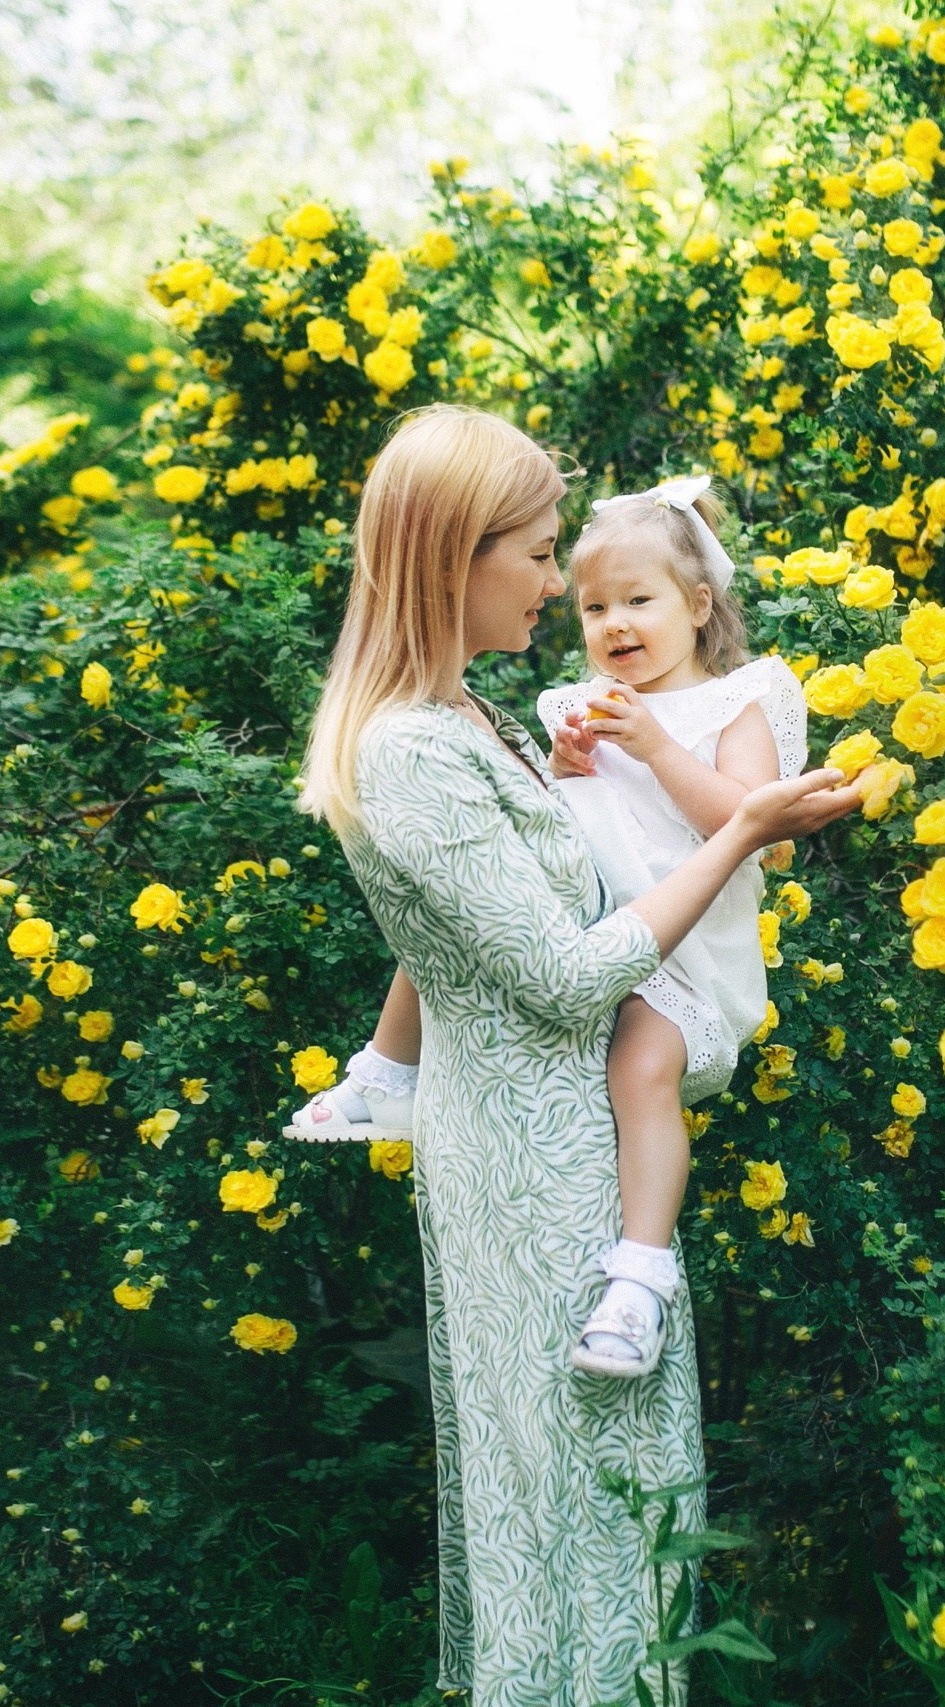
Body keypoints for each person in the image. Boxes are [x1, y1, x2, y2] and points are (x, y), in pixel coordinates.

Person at [294, 404, 860, 1700]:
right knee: (589, 1497)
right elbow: (561, 972)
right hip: (540, 1163)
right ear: (457, 558)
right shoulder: (415, 748)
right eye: (542, 554)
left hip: (565, 1141)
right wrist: (746, 832)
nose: (560, 587)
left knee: (610, 1496)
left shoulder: (464, 718)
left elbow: (500, 912)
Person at [290, 472, 805, 1380]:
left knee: (641, 1064)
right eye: (595, 606)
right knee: (472, 898)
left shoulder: (738, 700)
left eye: (637, 600)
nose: (610, 624)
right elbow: (565, 844)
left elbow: (749, 820)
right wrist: (572, 770)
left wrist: (652, 747)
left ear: (695, 602)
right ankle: (384, 1068)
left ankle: (640, 1277)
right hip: (597, 925)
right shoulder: (580, 706)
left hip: (679, 960)